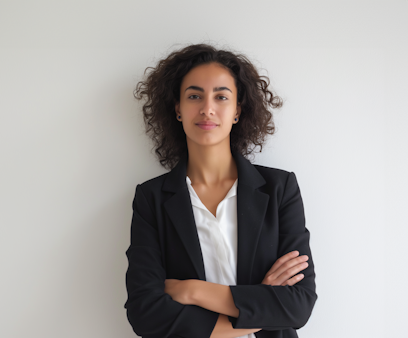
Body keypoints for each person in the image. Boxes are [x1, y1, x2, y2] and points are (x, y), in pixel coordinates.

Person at [124, 44, 317, 338]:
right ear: (178, 108)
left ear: (237, 110)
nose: (207, 108)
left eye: (221, 96)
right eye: (194, 96)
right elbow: (145, 314)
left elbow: (299, 305)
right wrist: (261, 301)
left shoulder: (280, 189)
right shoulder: (151, 198)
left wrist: (192, 290)